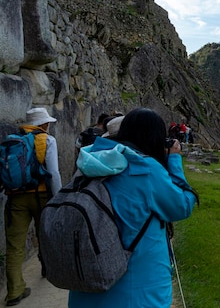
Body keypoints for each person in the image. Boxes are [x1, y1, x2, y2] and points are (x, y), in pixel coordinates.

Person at [68, 108, 197, 307]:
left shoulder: (89, 163)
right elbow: (181, 205)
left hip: (88, 287)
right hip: (137, 293)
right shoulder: (144, 169)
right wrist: (174, 159)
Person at [4, 108, 62, 306]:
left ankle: (14, 291)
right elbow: (53, 173)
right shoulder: (47, 140)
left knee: (14, 246)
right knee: (45, 235)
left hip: (15, 198)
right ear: (43, 124)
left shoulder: (12, 139)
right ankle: (47, 268)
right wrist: (58, 197)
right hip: (42, 196)